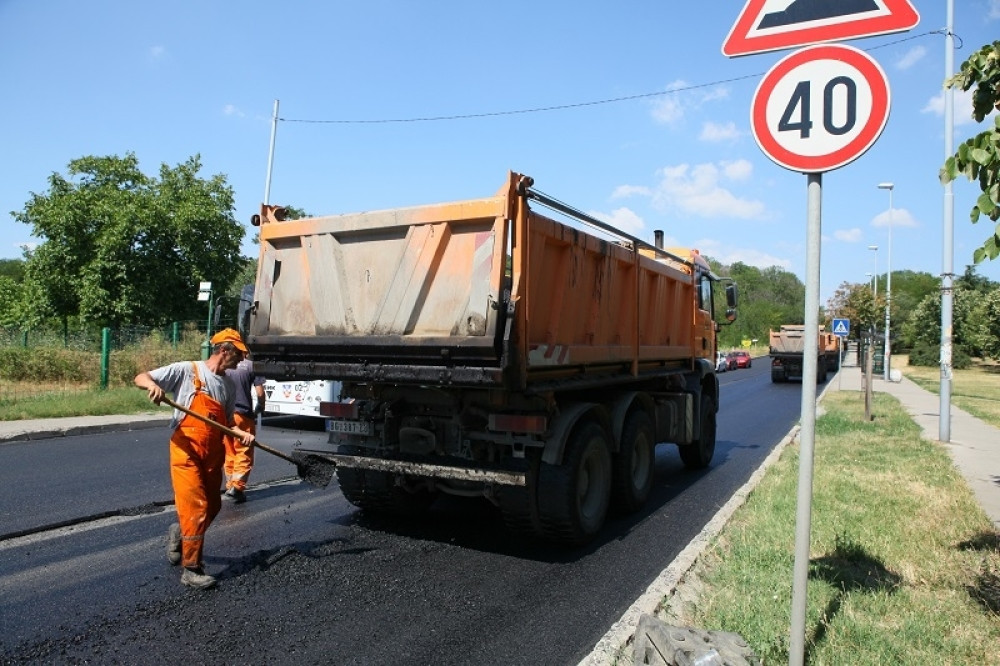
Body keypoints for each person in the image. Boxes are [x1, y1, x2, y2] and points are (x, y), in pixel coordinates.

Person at [134, 328, 255, 590]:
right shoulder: (188, 370)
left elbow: (227, 422)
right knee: (196, 506)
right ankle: (192, 568)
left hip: (213, 451)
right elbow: (141, 377)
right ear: (225, 351)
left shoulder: (229, 385)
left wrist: (240, 434)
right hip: (186, 449)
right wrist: (152, 386)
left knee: (213, 506)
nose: (241, 361)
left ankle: (180, 531)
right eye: (239, 355)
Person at [222, 352, 265, 503]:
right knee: (244, 450)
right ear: (245, 352)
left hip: (226, 415)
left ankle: (229, 485)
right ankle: (237, 488)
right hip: (243, 415)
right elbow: (260, 393)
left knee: (230, 451)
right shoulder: (252, 366)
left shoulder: (225, 365)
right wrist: (260, 407)